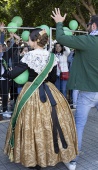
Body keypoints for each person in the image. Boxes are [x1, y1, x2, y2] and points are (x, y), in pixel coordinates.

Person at [3, 28, 78, 169]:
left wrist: (7, 71)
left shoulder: (29, 56)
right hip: (50, 91)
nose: (28, 41)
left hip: (31, 93)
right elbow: (52, 78)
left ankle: (34, 158)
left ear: (35, 40)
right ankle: (57, 154)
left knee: (32, 125)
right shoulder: (51, 57)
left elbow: (13, 74)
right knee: (54, 122)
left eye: (30, 39)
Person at [51, 8, 98, 170]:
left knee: (79, 125)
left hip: (88, 93)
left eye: (89, 24)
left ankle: (72, 160)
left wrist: (58, 23)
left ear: (93, 27)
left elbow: (61, 38)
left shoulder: (88, 41)